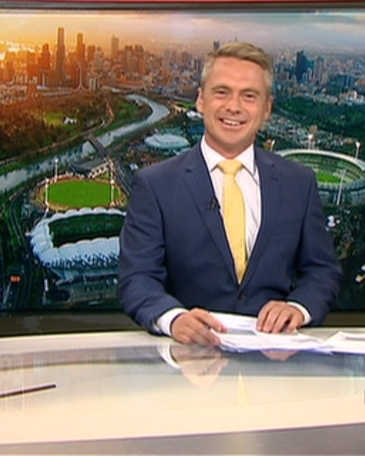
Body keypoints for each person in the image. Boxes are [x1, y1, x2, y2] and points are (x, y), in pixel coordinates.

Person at [117, 41, 342, 346]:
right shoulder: (155, 184)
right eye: (222, 92)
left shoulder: (298, 183)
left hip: (275, 357)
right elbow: (137, 278)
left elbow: (322, 270)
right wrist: (173, 318)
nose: (234, 107)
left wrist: (298, 308)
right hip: (187, 357)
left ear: (267, 109)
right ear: (201, 100)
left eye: (249, 96)